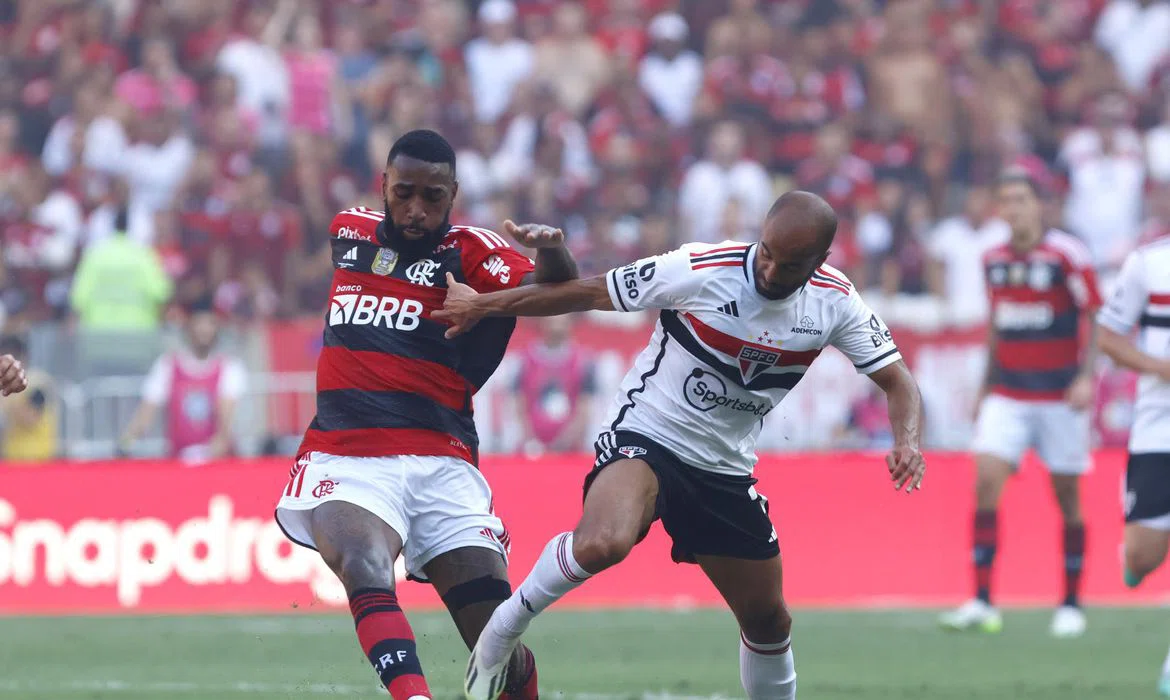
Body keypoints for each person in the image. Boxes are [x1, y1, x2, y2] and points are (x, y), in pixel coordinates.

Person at [436, 191, 926, 700]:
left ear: (821, 261)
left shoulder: (836, 301)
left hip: (724, 466)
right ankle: (500, 631)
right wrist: (483, 305)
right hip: (648, 433)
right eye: (766, 251)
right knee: (605, 541)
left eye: (790, 264)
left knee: (768, 620)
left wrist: (907, 441)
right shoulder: (701, 268)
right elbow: (586, 293)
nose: (770, 269)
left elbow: (899, 382)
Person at [273, 130, 578, 700]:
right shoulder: (349, 231)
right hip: (347, 453)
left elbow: (559, 290)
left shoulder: (474, 252)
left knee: (493, 638)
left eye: (432, 198)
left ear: (453, 194)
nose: (416, 210)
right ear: (383, 185)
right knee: (364, 563)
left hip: (444, 459)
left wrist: (552, 251)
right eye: (404, 192)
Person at [941, 170, 1103, 638]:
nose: (1013, 208)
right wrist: (984, 386)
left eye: (1021, 199)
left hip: (1059, 396)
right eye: (1005, 200)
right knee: (986, 481)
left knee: (1067, 497)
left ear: (1040, 206)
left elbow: (1094, 313)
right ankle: (983, 600)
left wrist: (1087, 377)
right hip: (1009, 393)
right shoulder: (992, 259)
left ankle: (1072, 602)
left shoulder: (1067, 256)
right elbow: (998, 321)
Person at [1095, 233, 1170, 694]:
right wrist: (1161, 369)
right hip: (1157, 424)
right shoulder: (1149, 263)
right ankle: (1135, 561)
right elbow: (1108, 338)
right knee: (1146, 553)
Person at [119, 297, 246, 463]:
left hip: (216, 463)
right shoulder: (167, 366)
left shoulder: (230, 368)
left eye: (210, 324)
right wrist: (126, 443)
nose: (204, 330)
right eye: (199, 324)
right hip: (178, 461)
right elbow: (145, 414)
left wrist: (207, 453)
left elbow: (225, 422)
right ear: (189, 326)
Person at [0, 335, 57, 461]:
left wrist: (7, 399)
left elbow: (31, 418)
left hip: (37, 460)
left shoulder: (38, 381)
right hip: (11, 460)